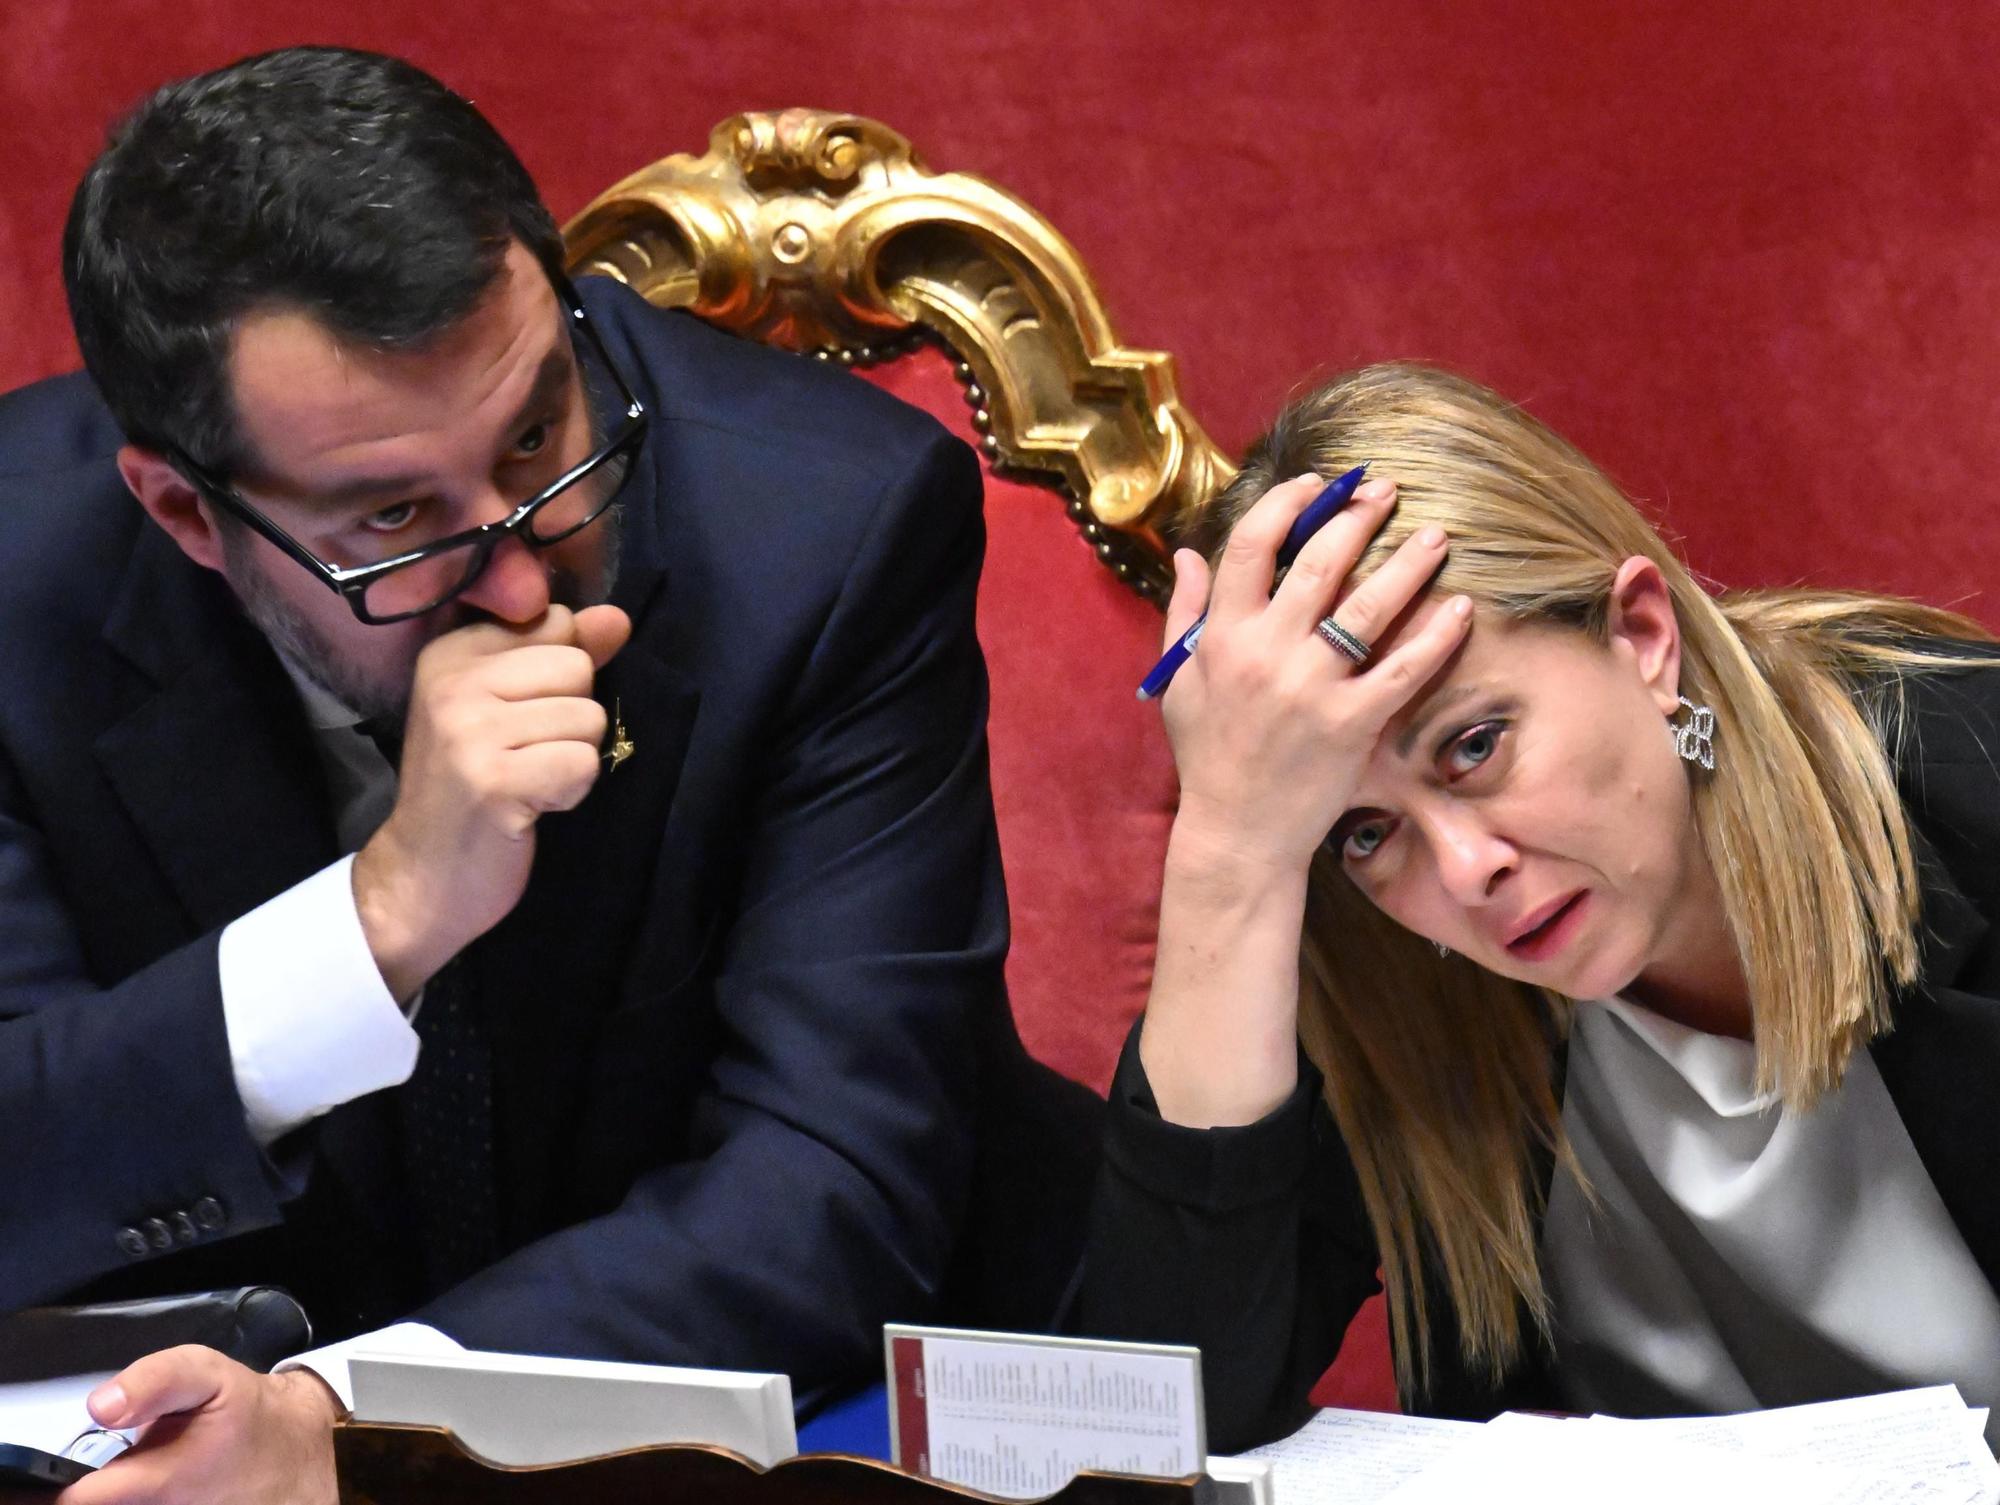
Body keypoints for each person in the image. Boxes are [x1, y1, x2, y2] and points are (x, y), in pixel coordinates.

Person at [0, 45, 1093, 1505]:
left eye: (540, 434)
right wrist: (379, 924)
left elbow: (835, 1181)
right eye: (395, 516)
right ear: (189, 513)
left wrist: (343, 1424)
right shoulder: (16, 582)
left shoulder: (829, 530)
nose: (520, 576)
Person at [1082, 360, 2000, 1452]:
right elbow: (1157, 1423)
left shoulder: (1970, 790)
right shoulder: (1382, 955)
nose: (1464, 870)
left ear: (1642, 635)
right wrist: (1228, 855)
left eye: (1473, 745)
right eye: (1363, 829)